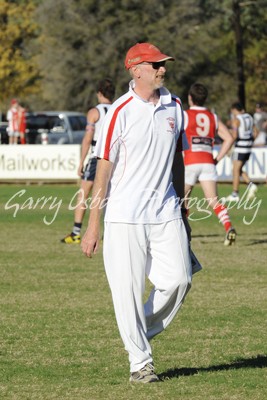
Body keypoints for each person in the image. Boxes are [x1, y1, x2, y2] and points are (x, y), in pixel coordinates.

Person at [81, 42, 192, 383]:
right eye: (156, 64)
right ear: (136, 70)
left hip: (166, 210)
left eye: (163, 63)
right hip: (124, 214)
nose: (163, 68)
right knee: (126, 291)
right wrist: (93, 224)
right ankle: (140, 363)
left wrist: (184, 208)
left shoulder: (175, 106)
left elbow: (178, 160)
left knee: (180, 279)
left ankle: (136, 332)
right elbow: (104, 166)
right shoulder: (119, 110)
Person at [61, 78, 115, 244]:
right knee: (110, 195)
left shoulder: (94, 112)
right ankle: (110, 233)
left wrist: (81, 161)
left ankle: (76, 232)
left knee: (83, 194)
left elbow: (88, 138)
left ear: (99, 93)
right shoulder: (118, 109)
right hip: (114, 157)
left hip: (96, 157)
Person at [183, 83, 236, 246]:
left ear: (190, 98)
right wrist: (217, 159)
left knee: (182, 201)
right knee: (213, 200)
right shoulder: (212, 116)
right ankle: (228, 226)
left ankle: (184, 234)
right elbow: (229, 138)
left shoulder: (185, 114)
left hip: (190, 161)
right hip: (208, 161)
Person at [225, 102, 258, 202]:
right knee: (238, 169)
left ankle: (235, 194)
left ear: (235, 110)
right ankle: (251, 185)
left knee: (235, 170)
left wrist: (228, 146)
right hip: (248, 147)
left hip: (240, 148)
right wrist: (250, 141)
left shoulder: (236, 120)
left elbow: (235, 135)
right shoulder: (249, 117)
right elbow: (256, 132)